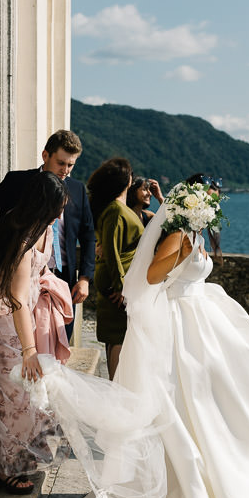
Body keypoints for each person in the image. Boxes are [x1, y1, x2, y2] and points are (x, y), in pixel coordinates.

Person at [80, 175, 249, 498]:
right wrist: (183, 253)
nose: (214, 210)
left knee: (208, 403)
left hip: (200, 323)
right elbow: (152, 275)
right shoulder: (180, 236)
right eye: (210, 203)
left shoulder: (195, 233)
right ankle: (185, 491)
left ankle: (216, 478)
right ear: (193, 205)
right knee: (183, 403)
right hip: (179, 326)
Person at [0, 171, 70, 494]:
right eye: (57, 208)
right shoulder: (21, 240)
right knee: (11, 390)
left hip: (3, 307)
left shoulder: (32, 224)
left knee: (22, 387)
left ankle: (19, 454)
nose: (61, 215)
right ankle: (4, 467)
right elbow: (17, 300)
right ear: (43, 206)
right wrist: (29, 350)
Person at [0, 129, 95, 340]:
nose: (65, 170)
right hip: (20, 279)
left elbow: (88, 234)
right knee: (23, 344)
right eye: (61, 163)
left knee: (58, 343)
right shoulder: (17, 181)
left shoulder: (77, 189)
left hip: (61, 281)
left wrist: (84, 278)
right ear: (45, 156)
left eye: (71, 165)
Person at [86, 158, 144, 379]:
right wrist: (122, 286)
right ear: (126, 180)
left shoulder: (117, 208)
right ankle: (116, 388)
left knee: (117, 336)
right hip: (117, 285)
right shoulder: (116, 210)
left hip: (119, 281)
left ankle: (117, 387)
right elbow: (111, 250)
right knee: (118, 336)